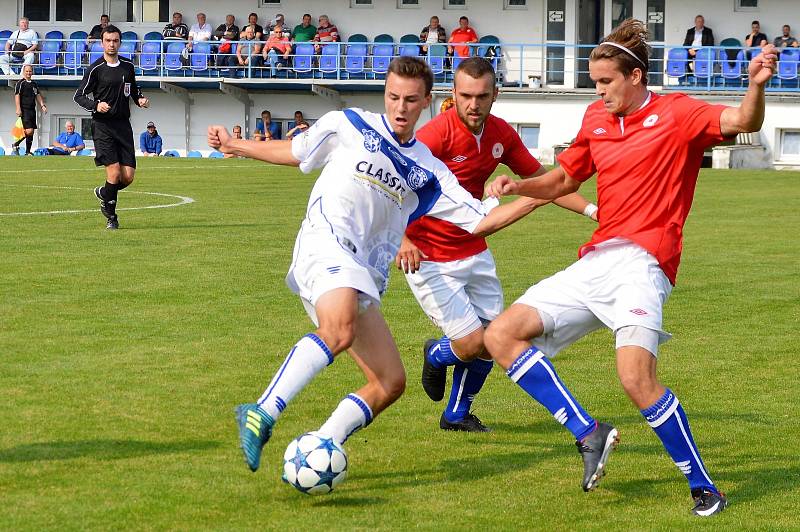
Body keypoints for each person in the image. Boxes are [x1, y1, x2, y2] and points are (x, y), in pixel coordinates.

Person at [208, 56, 556, 478]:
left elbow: (481, 219)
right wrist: (236, 145)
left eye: (411, 100)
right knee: (338, 330)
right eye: (393, 97)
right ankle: (262, 411)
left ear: (427, 101)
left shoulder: (429, 171)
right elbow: (295, 151)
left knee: (390, 383)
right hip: (326, 244)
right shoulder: (348, 124)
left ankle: (325, 442)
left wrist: (543, 195)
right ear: (384, 95)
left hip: (364, 273)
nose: (400, 107)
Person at [485, 19, 777, 516]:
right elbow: (560, 181)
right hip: (597, 258)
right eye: (595, 82)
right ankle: (589, 432)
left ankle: (704, 486)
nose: (599, 92)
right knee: (501, 336)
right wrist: (518, 185)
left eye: (606, 82)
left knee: (635, 379)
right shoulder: (596, 122)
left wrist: (754, 85)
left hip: (644, 263)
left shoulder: (678, 114)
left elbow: (744, 123)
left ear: (635, 76)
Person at [397, 57, 599, 433]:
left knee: (494, 340)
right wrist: (402, 239)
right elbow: (390, 190)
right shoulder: (433, 137)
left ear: (495, 95)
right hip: (430, 256)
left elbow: (547, 182)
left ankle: (456, 414)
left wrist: (593, 210)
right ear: (453, 94)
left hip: (474, 248)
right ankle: (437, 354)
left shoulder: (501, 134)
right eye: (466, 95)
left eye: (482, 96)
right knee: (473, 342)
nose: (474, 104)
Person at [74, 25, 150, 230]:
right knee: (114, 172)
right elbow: (78, 96)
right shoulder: (95, 69)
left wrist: (140, 99)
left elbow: (133, 89)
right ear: (102, 43)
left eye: (115, 41)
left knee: (128, 177)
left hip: (123, 125)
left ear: (120, 42)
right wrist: (95, 105)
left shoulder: (127, 66)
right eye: (108, 41)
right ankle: (112, 218)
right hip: (102, 126)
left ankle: (105, 193)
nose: (112, 44)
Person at [11, 64, 46, 156]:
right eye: (27, 71)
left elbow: (37, 95)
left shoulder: (34, 84)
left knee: (31, 132)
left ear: (32, 72)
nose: (28, 73)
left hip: (32, 110)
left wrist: (42, 105)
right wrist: (18, 108)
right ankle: (15, 144)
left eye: (30, 71)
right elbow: (17, 95)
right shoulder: (20, 83)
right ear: (23, 72)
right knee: (29, 130)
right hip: (24, 109)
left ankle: (27, 152)